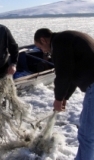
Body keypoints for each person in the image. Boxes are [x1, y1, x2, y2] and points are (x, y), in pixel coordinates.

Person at [34, 28, 94, 160]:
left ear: (43, 40)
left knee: (87, 135)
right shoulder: (68, 38)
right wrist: (65, 97)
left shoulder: (59, 43)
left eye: (40, 47)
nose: (44, 51)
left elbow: (63, 75)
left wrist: (58, 99)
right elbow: (71, 74)